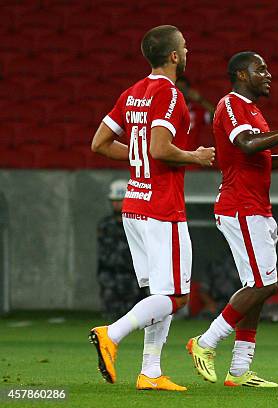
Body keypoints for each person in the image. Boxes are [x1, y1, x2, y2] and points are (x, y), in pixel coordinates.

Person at [186, 51, 278, 388]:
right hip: (240, 207)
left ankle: (239, 370)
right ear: (240, 74)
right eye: (260, 69)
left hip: (256, 207)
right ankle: (205, 342)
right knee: (265, 285)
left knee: (258, 289)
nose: (268, 74)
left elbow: (255, 156)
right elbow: (247, 144)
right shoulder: (231, 104)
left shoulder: (252, 110)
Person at [88, 25, 215, 391]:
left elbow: (100, 143)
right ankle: (111, 333)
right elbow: (160, 148)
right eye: (185, 47)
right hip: (162, 207)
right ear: (174, 56)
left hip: (134, 205)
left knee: (159, 293)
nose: (188, 50)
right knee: (177, 296)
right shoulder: (170, 94)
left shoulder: (131, 93)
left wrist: (137, 154)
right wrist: (195, 155)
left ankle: (151, 372)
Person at [97, 179, 146, 320]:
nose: (116, 204)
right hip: (110, 277)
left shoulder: (138, 223)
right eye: (114, 200)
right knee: (110, 317)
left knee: (135, 318)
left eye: (119, 200)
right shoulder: (105, 225)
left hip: (132, 277)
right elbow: (102, 254)